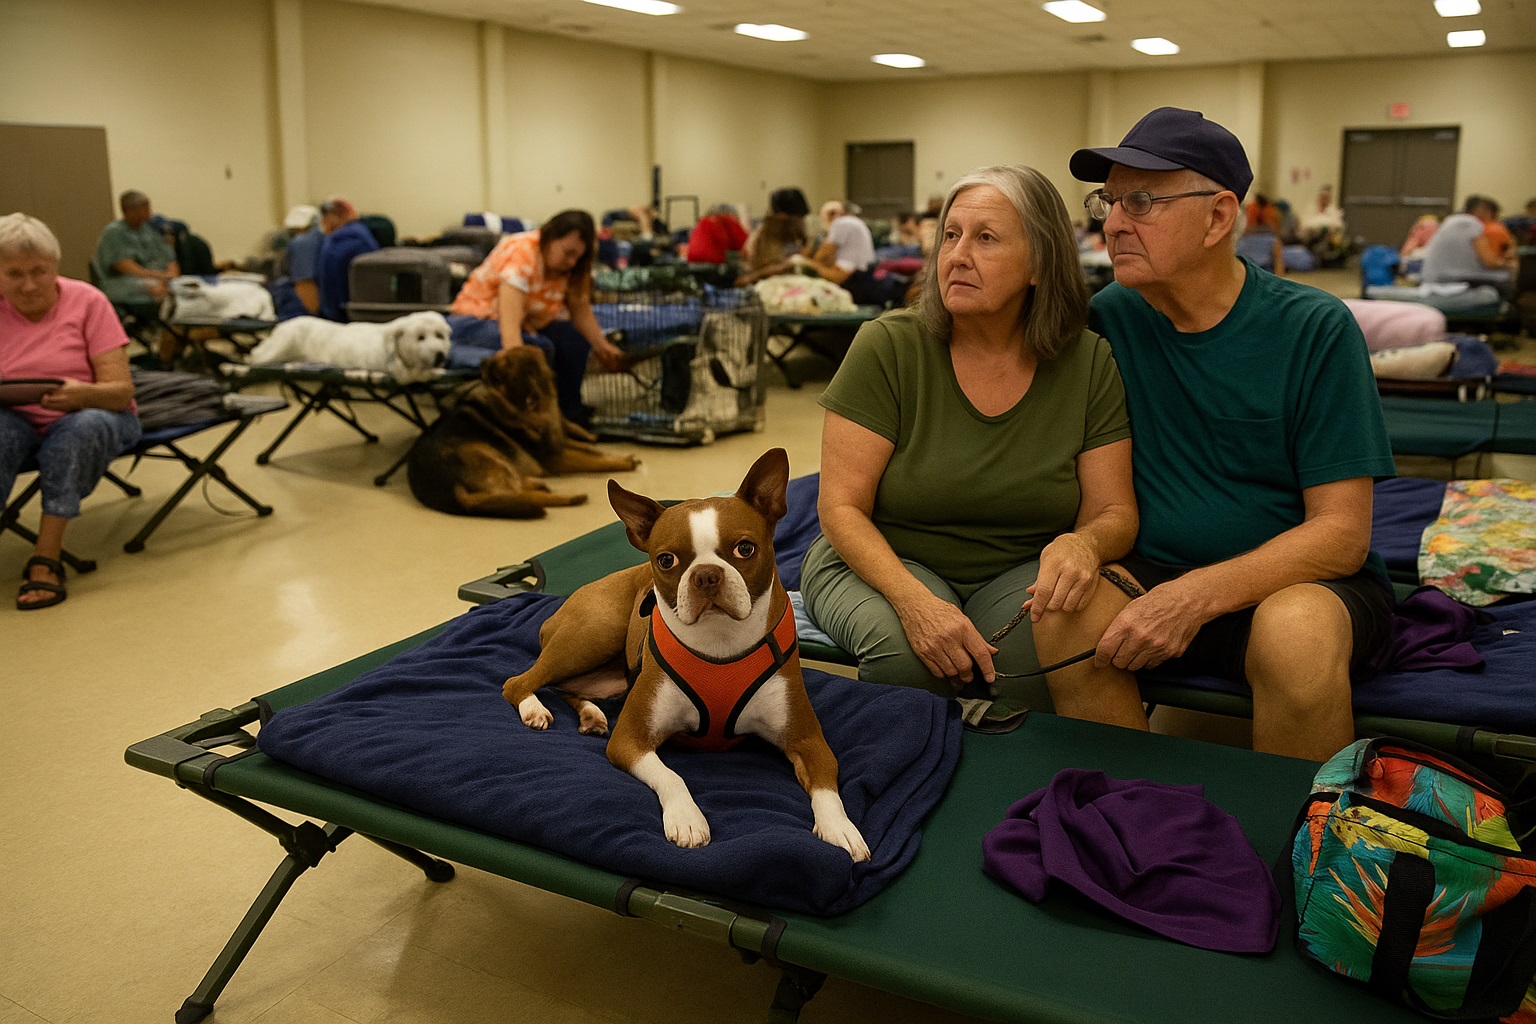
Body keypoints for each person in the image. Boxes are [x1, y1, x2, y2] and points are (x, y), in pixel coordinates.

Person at [1069, 106, 1396, 761]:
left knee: (1294, 637)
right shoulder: (1111, 316)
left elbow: (1341, 533)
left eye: (1141, 200)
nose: (1113, 223)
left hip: (1301, 583)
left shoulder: (1314, 328)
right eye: (1108, 202)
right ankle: (1128, 822)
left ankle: (1298, 847)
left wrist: (1193, 597)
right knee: (1062, 616)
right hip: (1153, 566)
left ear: (1219, 216)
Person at [802, 165, 1144, 733]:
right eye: (950, 236)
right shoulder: (888, 346)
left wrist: (1083, 546)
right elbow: (840, 508)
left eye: (985, 238)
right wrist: (916, 605)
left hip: (1016, 566)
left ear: (1039, 263)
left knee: (1027, 670)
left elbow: (1115, 512)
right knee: (910, 660)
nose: (957, 255)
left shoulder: (1086, 362)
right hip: (880, 558)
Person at [0, 213, 140, 610]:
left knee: (80, 431)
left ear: (55, 267)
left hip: (95, 412)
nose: (28, 285)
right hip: (18, 418)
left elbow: (121, 392)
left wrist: (83, 395)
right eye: (13, 274)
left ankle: (46, 557)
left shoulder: (88, 301)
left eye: (38, 272)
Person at [446, 209, 623, 425]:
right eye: (568, 253)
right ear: (549, 238)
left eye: (577, 256)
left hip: (524, 325)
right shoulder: (522, 251)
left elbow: (579, 307)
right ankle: (532, 419)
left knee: (573, 338)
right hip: (472, 323)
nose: (572, 262)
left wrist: (602, 347)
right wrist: (518, 359)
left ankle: (568, 414)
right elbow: (509, 320)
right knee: (538, 348)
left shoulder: (570, 268)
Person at [93, 190, 179, 309]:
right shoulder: (114, 233)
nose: (149, 211)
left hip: (159, 277)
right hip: (123, 281)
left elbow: (169, 257)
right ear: (129, 211)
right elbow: (125, 266)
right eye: (144, 208)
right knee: (154, 286)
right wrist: (160, 276)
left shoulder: (149, 230)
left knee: (184, 287)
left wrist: (172, 274)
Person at [1421, 196, 1517, 296]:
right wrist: (1510, 265)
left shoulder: (1450, 221)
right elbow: (1489, 262)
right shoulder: (1472, 224)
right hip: (1452, 283)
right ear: (1485, 211)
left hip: (1435, 280)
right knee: (1508, 278)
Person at [314, 196, 380, 322]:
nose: (322, 223)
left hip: (344, 316)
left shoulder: (344, 238)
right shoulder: (361, 233)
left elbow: (333, 281)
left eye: (324, 218)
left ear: (332, 216)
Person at [270, 205, 324, 320]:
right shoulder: (304, 243)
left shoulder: (302, 243)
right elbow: (304, 284)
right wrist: (315, 316)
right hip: (298, 309)